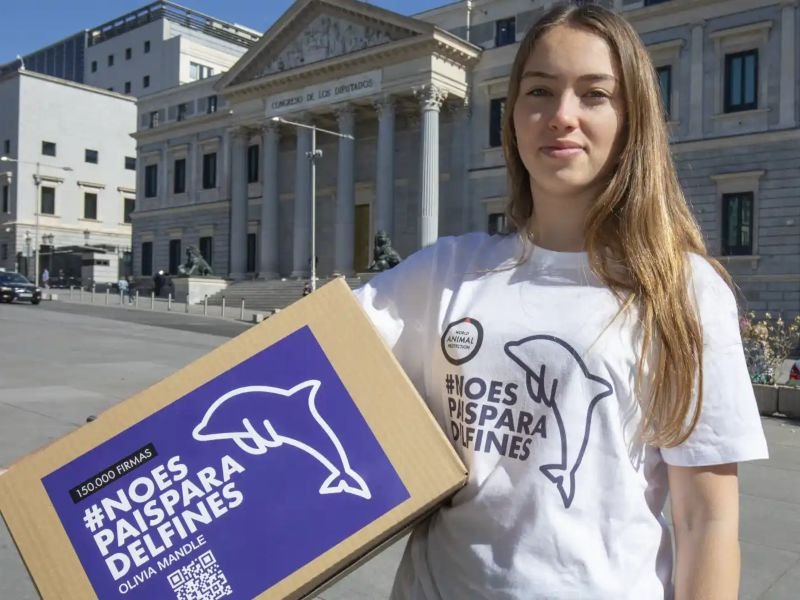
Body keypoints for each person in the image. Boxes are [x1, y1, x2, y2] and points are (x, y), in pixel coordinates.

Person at [354, 5, 768, 599]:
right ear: (513, 115)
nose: (561, 117)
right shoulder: (445, 271)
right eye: (539, 92)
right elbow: (314, 357)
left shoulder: (684, 290)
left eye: (594, 94)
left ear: (633, 119)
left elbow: (708, 522)